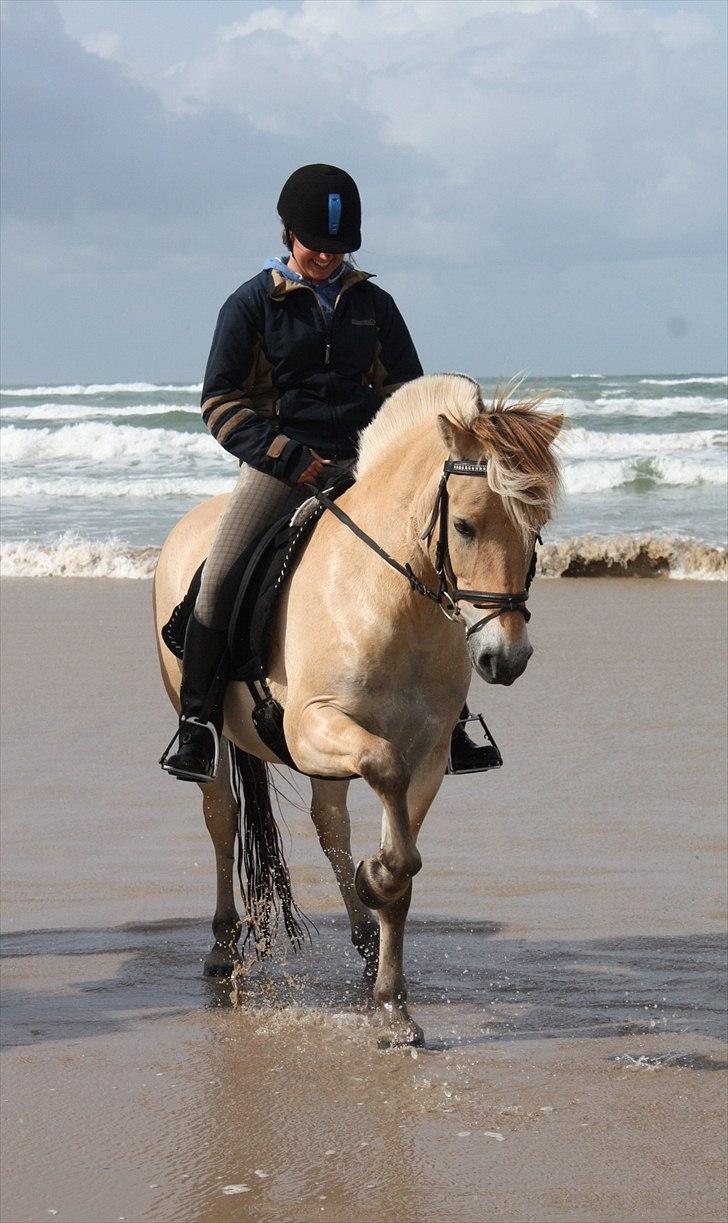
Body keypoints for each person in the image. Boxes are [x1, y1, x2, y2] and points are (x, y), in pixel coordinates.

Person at [162, 163, 491, 782]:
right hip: (282, 465)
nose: (326, 256)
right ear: (288, 233)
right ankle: (198, 722)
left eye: (339, 248)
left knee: (430, 557)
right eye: (316, 244)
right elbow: (220, 401)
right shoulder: (252, 304)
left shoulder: (375, 305)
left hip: (365, 465)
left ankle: (456, 717)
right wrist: (286, 454)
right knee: (221, 573)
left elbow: (406, 395)